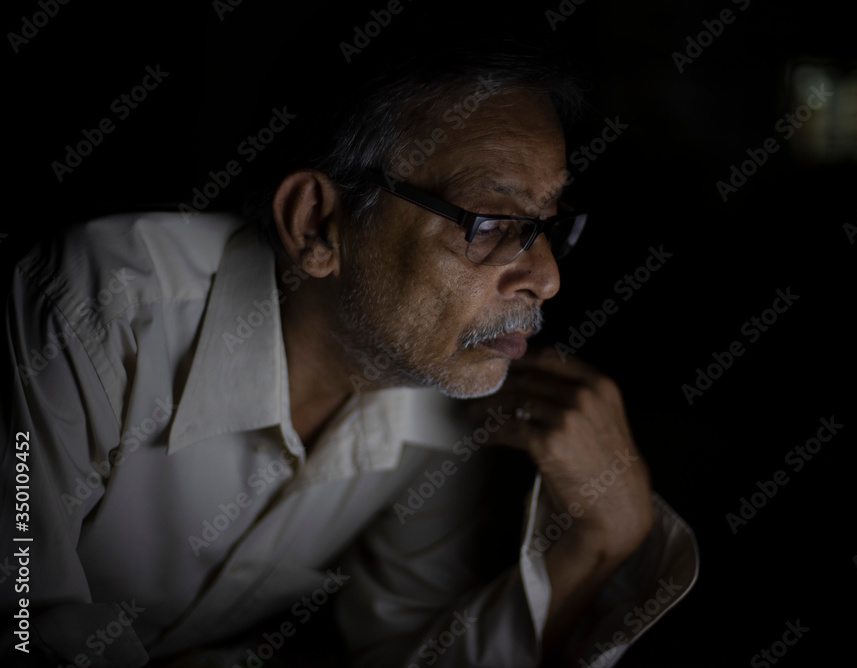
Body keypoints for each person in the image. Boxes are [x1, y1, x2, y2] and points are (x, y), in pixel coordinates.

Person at [0, 38, 697, 667]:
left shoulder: (441, 401)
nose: (546, 276)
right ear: (316, 223)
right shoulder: (97, 309)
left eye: (546, 225)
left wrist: (604, 542)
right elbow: (24, 622)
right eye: (489, 223)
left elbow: (409, 656)